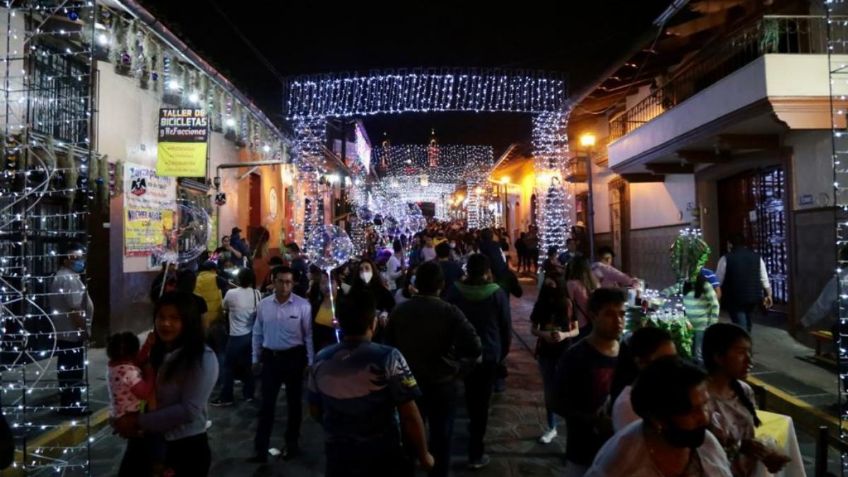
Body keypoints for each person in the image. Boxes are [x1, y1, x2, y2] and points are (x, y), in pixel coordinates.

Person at [308, 287, 434, 477]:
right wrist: (424, 455)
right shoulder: (388, 357)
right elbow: (409, 412)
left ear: (340, 323)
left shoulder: (321, 359)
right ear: (373, 324)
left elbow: (315, 409)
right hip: (383, 455)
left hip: (339, 456)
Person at [385, 261, 482, 477]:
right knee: (442, 438)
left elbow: (388, 347)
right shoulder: (449, 311)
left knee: (409, 435)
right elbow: (474, 345)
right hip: (442, 383)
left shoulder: (400, 311)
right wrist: (459, 369)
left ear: (417, 284)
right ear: (441, 284)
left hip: (409, 385)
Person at [112, 292, 219, 477]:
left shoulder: (202, 357)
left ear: (188, 322)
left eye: (174, 318)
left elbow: (189, 409)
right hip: (144, 442)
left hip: (183, 448)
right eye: (161, 317)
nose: (165, 323)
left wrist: (137, 421)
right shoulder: (156, 350)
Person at [586, 357, 733, 477]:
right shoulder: (620, 465)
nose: (704, 417)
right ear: (658, 419)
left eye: (705, 405)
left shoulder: (706, 442)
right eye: (691, 411)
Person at [444, 254, 511, 469]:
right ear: (486, 271)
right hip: (488, 354)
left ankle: (446, 448)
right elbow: (505, 326)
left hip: (460, 354)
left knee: (455, 399)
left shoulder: (454, 292)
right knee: (480, 404)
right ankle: (475, 451)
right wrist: (502, 353)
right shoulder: (496, 294)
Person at [554, 288, 626, 477]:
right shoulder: (576, 356)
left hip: (621, 452)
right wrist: (593, 420)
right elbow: (557, 402)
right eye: (610, 314)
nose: (618, 320)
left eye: (622, 314)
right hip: (583, 451)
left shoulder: (628, 354)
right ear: (593, 316)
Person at [702, 324, 791, 476]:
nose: (749, 360)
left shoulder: (744, 391)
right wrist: (741, 447)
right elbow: (699, 451)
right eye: (741, 352)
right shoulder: (701, 398)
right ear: (718, 357)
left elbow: (747, 437)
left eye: (749, 352)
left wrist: (765, 453)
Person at [249, 266, 314, 463]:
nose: (284, 286)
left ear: (293, 283)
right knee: (266, 405)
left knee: (294, 405)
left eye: (288, 282)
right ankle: (260, 449)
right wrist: (255, 357)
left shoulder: (303, 306)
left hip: (294, 358)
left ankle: (292, 444)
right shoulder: (264, 305)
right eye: (280, 281)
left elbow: (308, 335)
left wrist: (310, 361)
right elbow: (257, 332)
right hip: (270, 358)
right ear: (273, 282)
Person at [530, 275, 579, 444]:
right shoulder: (540, 305)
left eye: (553, 285)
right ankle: (551, 427)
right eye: (547, 285)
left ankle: (571, 427)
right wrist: (545, 334)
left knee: (568, 390)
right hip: (546, 352)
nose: (550, 288)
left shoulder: (567, 304)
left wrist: (564, 334)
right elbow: (533, 329)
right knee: (549, 390)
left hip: (565, 351)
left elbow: (576, 330)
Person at [49, 243, 93, 416]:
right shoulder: (68, 279)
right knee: (73, 370)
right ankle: (71, 405)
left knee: (67, 368)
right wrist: (84, 331)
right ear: (65, 260)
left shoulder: (62, 276)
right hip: (72, 333)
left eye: (81, 257)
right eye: (75, 258)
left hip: (65, 332)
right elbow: (75, 309)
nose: (79, 261)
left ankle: (69, 402)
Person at [107, 332, 156, 477]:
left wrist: (148, 345)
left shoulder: (115, 365)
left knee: (135, 452)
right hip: (130, 418)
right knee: (139, 452)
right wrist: (150, 373)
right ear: (133, 353)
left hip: (119, 414)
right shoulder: (129, 372)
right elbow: (145, 392)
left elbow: (138, 359)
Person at [609, 327, 677, 432]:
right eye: (665, 362)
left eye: (675, 360)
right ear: (641, 363)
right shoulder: (628, 404)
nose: (674, 367)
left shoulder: (666, 389)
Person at [212, 268, 260, 406]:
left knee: (228, 367)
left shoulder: (231, 293)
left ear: (239, 279)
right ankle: (248, 394)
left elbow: (223, 307)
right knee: (248, 365)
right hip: (250, 335)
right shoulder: (256, 293)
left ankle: (227, 396)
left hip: (236, 336)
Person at [716, 234, 772, 333]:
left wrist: (716, 298)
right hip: (753, 297)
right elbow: (764, 279)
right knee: (748, 322)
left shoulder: (726, 258)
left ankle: (744, 344)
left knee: (740, 326)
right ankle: (746, 342)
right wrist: (769, 295)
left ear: (730, 244)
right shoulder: (757, 257)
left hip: (734, 298)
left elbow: (718, 280)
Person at [683, 271, 720, 364]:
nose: (687, 277)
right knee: (689, 352)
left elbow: (715, 305)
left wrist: (712, 323)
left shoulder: (706, 286)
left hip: (701, 326)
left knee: (698, 353)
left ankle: (702, 373)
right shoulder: (685, 285)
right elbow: (672, 289)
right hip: (688, 325)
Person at [566, 256, 599, 338]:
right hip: (594, 322)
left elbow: (569, 305)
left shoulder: (572, 284)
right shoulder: (595, 283)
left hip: (579, 323)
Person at [309, 272, 339, 353]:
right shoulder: (315, 306)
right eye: (323, 283)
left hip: (339, 352)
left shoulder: (344, 305)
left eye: (330, 282)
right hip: (319, 352)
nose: (327, 286)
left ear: (337, 284)